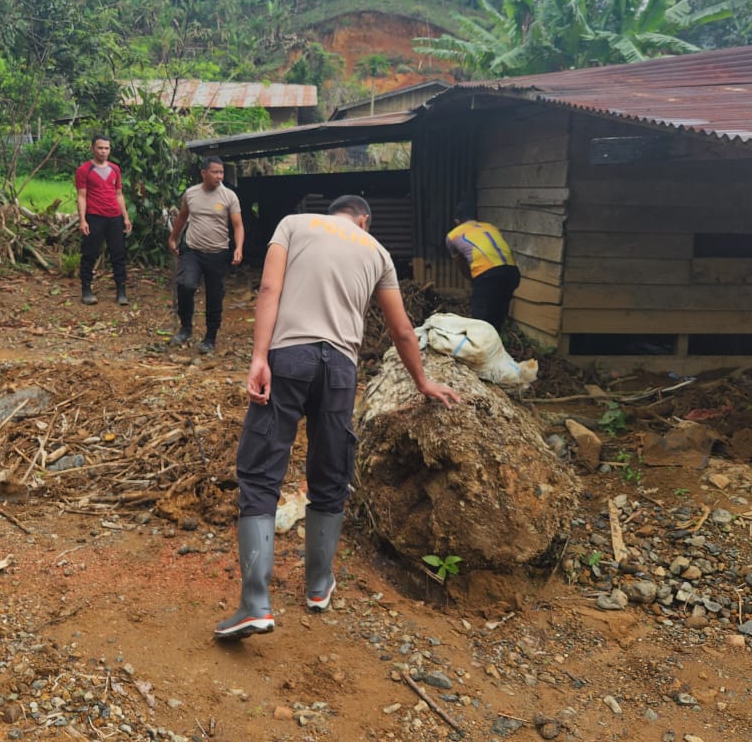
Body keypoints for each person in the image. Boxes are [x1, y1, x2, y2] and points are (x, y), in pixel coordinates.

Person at [214, 195, 461, 641]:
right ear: (362, 219)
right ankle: (317, 586)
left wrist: (258, 358)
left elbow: (269, 289)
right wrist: (423, 382)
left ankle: (255, 603)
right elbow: (401, 328)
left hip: (288, 360)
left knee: (261, 473)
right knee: (330, 474)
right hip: (341, 372)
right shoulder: (376, 250)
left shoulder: (292, 223)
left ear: (334, 212)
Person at [168, 155, 244, 354]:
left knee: (215, 295)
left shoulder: (229, 196)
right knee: (186, 284)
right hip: (192, 249)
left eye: (221, 172)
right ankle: (185, 327)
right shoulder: (191, 194)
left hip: (218, 252)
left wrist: (239, 247)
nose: (219, 176)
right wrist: (173, 238)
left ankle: (210, 337)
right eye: (215, 172)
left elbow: (238, 225)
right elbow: (182, 216)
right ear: (204, 173)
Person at [446, 200, 522, 332]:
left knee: (480, 320)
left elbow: (462, 267)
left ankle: (480, 349)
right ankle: (496, 347)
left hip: (487, 274)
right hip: (512, 272)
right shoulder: (490, 227)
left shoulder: (453, 235)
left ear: (457, 221)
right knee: (497, 316)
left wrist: (473, 280)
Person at [75, 135, 132, 305]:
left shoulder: (115, 169)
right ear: (92, 148)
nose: (103, 151)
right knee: (89, 254)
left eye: (106, 148)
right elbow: (81, 196)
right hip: (94, 217)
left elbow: (119, 194)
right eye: (100, 148)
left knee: (118, 254)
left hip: (114, 217)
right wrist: (82, 220)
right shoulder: (84, 170)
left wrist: (126, 217)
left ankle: (121, 290)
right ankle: (86, 289)